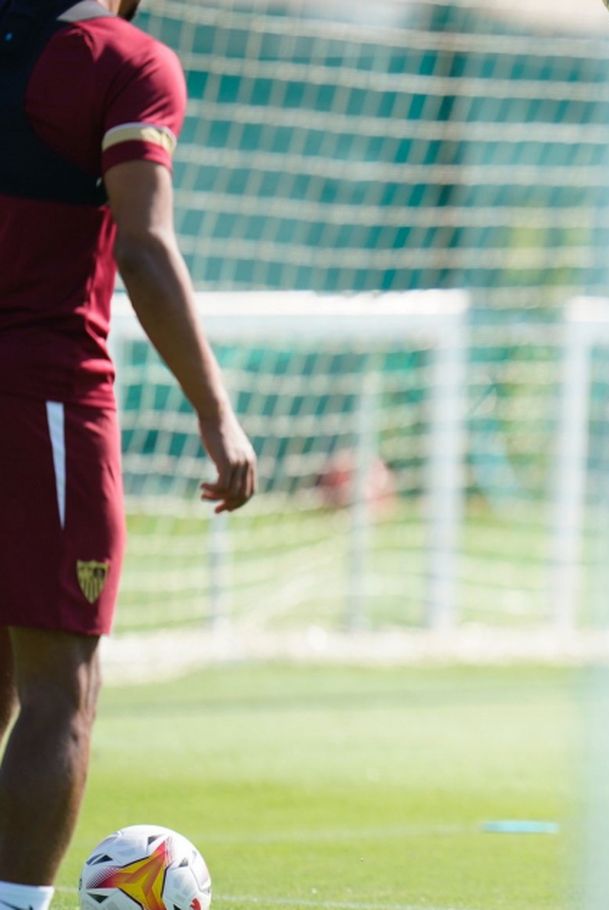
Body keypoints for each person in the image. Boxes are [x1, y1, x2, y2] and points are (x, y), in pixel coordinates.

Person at [0, 0, 255, 905]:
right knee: (61, 691)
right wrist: (216, 412)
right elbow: (144, 250)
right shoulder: (127, 61)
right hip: (42, 397)